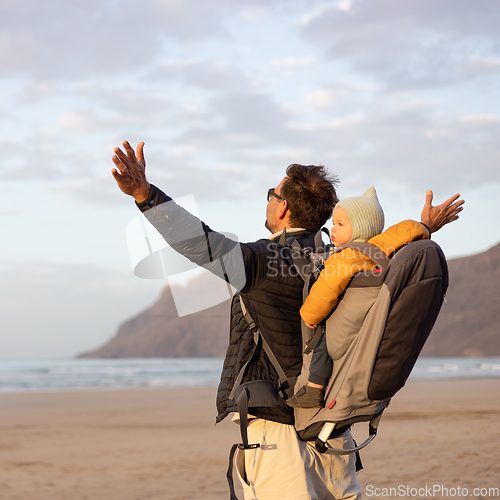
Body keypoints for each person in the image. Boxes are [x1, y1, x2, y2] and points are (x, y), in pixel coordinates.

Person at [111, 141, 464, 500]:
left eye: (271, 193)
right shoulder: (345, 259)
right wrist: (424, 226)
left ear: (282, 206)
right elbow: (389, 253)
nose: (268, 200)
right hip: (333, 428)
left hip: (278, 431)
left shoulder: (262, 260)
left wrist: (145, 194)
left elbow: (201, 244)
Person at [287, 186, 431, 409]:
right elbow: (403, 231)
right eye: (333, 224)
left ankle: (314, 389)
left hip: (347, 322)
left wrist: (309, 314)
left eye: (340, 224)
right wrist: (424, 226)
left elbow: (326, 288)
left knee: (323, 343)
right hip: (371, 320)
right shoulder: (380, 248)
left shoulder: (346, 257)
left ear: (361, 228)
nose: (333, 230)